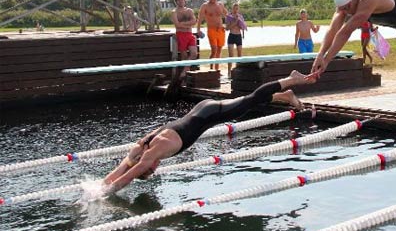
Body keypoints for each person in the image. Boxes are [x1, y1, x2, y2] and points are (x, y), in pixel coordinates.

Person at [102, 70, 316, 194]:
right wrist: (101, 185)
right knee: (246, 104)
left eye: (150, 169)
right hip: (202, 110)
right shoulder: (142, 144)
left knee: (249, 101)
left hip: (209, 114)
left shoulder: (150, 153)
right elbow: (125, 166)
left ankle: (291, 79)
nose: (154, 167)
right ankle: (286, 95)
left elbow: (127, 176)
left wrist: (102, 195)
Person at [197, 0, 228, 71]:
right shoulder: (205, 6)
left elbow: (227, 14)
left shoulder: (220, 5)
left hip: (221, 30)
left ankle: (217, 69)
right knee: (214, 50)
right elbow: (200, 18)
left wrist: (226, 25)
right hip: (211, 30)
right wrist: (198, 29)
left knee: (219, 50)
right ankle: (211, 68)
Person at [171, 0, 197, 80]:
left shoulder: (189, 11)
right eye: (178, 0)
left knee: (194, 53)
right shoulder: (174, 12)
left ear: (184, 0)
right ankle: (184, 77)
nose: (181, 1)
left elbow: (194, 21)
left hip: (190, 35)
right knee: (184, 56)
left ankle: (184, 72)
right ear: (176, 2)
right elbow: (177, 25)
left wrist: (183, 24)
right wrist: (188, 25)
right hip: (181, 35)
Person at [225, 2, 248, 77]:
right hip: (232, 36)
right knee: (231, 55)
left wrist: (241, 24)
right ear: (232, 8)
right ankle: (229, 72)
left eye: (237, 8)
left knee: (239, 55)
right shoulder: (229, 16)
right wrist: (235, 22)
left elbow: (243, 26)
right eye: (234, 8)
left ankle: (239, 71)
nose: (235, 10)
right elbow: (227, 28)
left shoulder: (240, 16)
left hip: (238, 36)